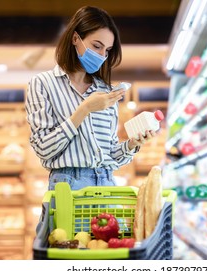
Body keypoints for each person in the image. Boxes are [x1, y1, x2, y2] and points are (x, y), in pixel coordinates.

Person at [25, 6, 156, 191]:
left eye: (107, 50)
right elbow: (43, 149)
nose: (102, 56)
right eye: (96, 46)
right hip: (68, 185)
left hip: (107, 184)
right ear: (75, 38)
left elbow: (110, 157)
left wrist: (132, 144)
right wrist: (84, 109)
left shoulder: (106, 91)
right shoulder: (43, 84)